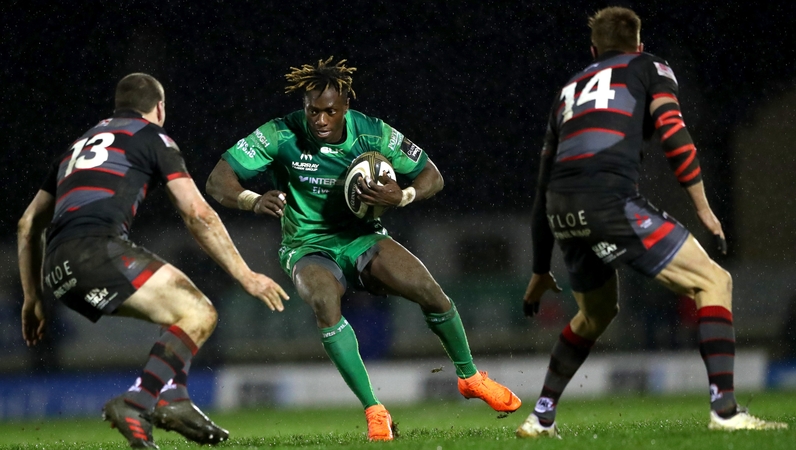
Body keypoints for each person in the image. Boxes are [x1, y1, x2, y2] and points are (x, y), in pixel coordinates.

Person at [206, 57, 521, 441]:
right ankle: (375, 410)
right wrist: (252, 200)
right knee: (324, 301)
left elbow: (432, 176)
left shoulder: (372, 133)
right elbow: (218, 179)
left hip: (363, 238)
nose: (320, 120)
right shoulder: (280, 133)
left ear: (346, 107)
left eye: (330, 111)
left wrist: (402, 195)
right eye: (313, 111)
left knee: (430, 292)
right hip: (306, 246)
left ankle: (470, 378)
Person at [516, 7, 787, 438]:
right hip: (608, 201)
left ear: (594, 50)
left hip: (561, 210)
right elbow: (674, 133)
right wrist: (703, 208)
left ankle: (541, 416)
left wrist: (539, 268)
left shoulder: (569, 89)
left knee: (595, 314)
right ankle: (725, 411)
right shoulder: (649, 67)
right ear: (639, 45)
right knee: (714, 281)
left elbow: (542, 184)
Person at [17, 73, 289, 449]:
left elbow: (27, 225)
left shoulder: (77, 147)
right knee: (200, 313)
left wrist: (33, 298)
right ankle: (138, 402)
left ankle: (174, 399)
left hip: (58, 267)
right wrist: (246, 275)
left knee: (177, 307)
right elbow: (197, 213)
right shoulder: (152, 137)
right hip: (97, 250)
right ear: (159, 108)